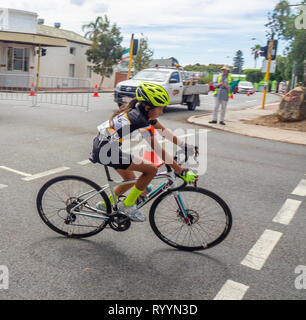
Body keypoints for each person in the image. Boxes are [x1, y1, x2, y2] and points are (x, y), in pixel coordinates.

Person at [89, 81, 198, 222]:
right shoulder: (139, 119)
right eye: (160, 108)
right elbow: (157, 149)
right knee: (151, 171)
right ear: (148, 107)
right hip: (106, 151)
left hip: (105, 147)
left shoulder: (142, 113)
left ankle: (106, 204)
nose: (162, 112)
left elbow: (163, 132)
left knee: (130, 180)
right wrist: (180, 170)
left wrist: (185, 145)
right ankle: (127, 206)